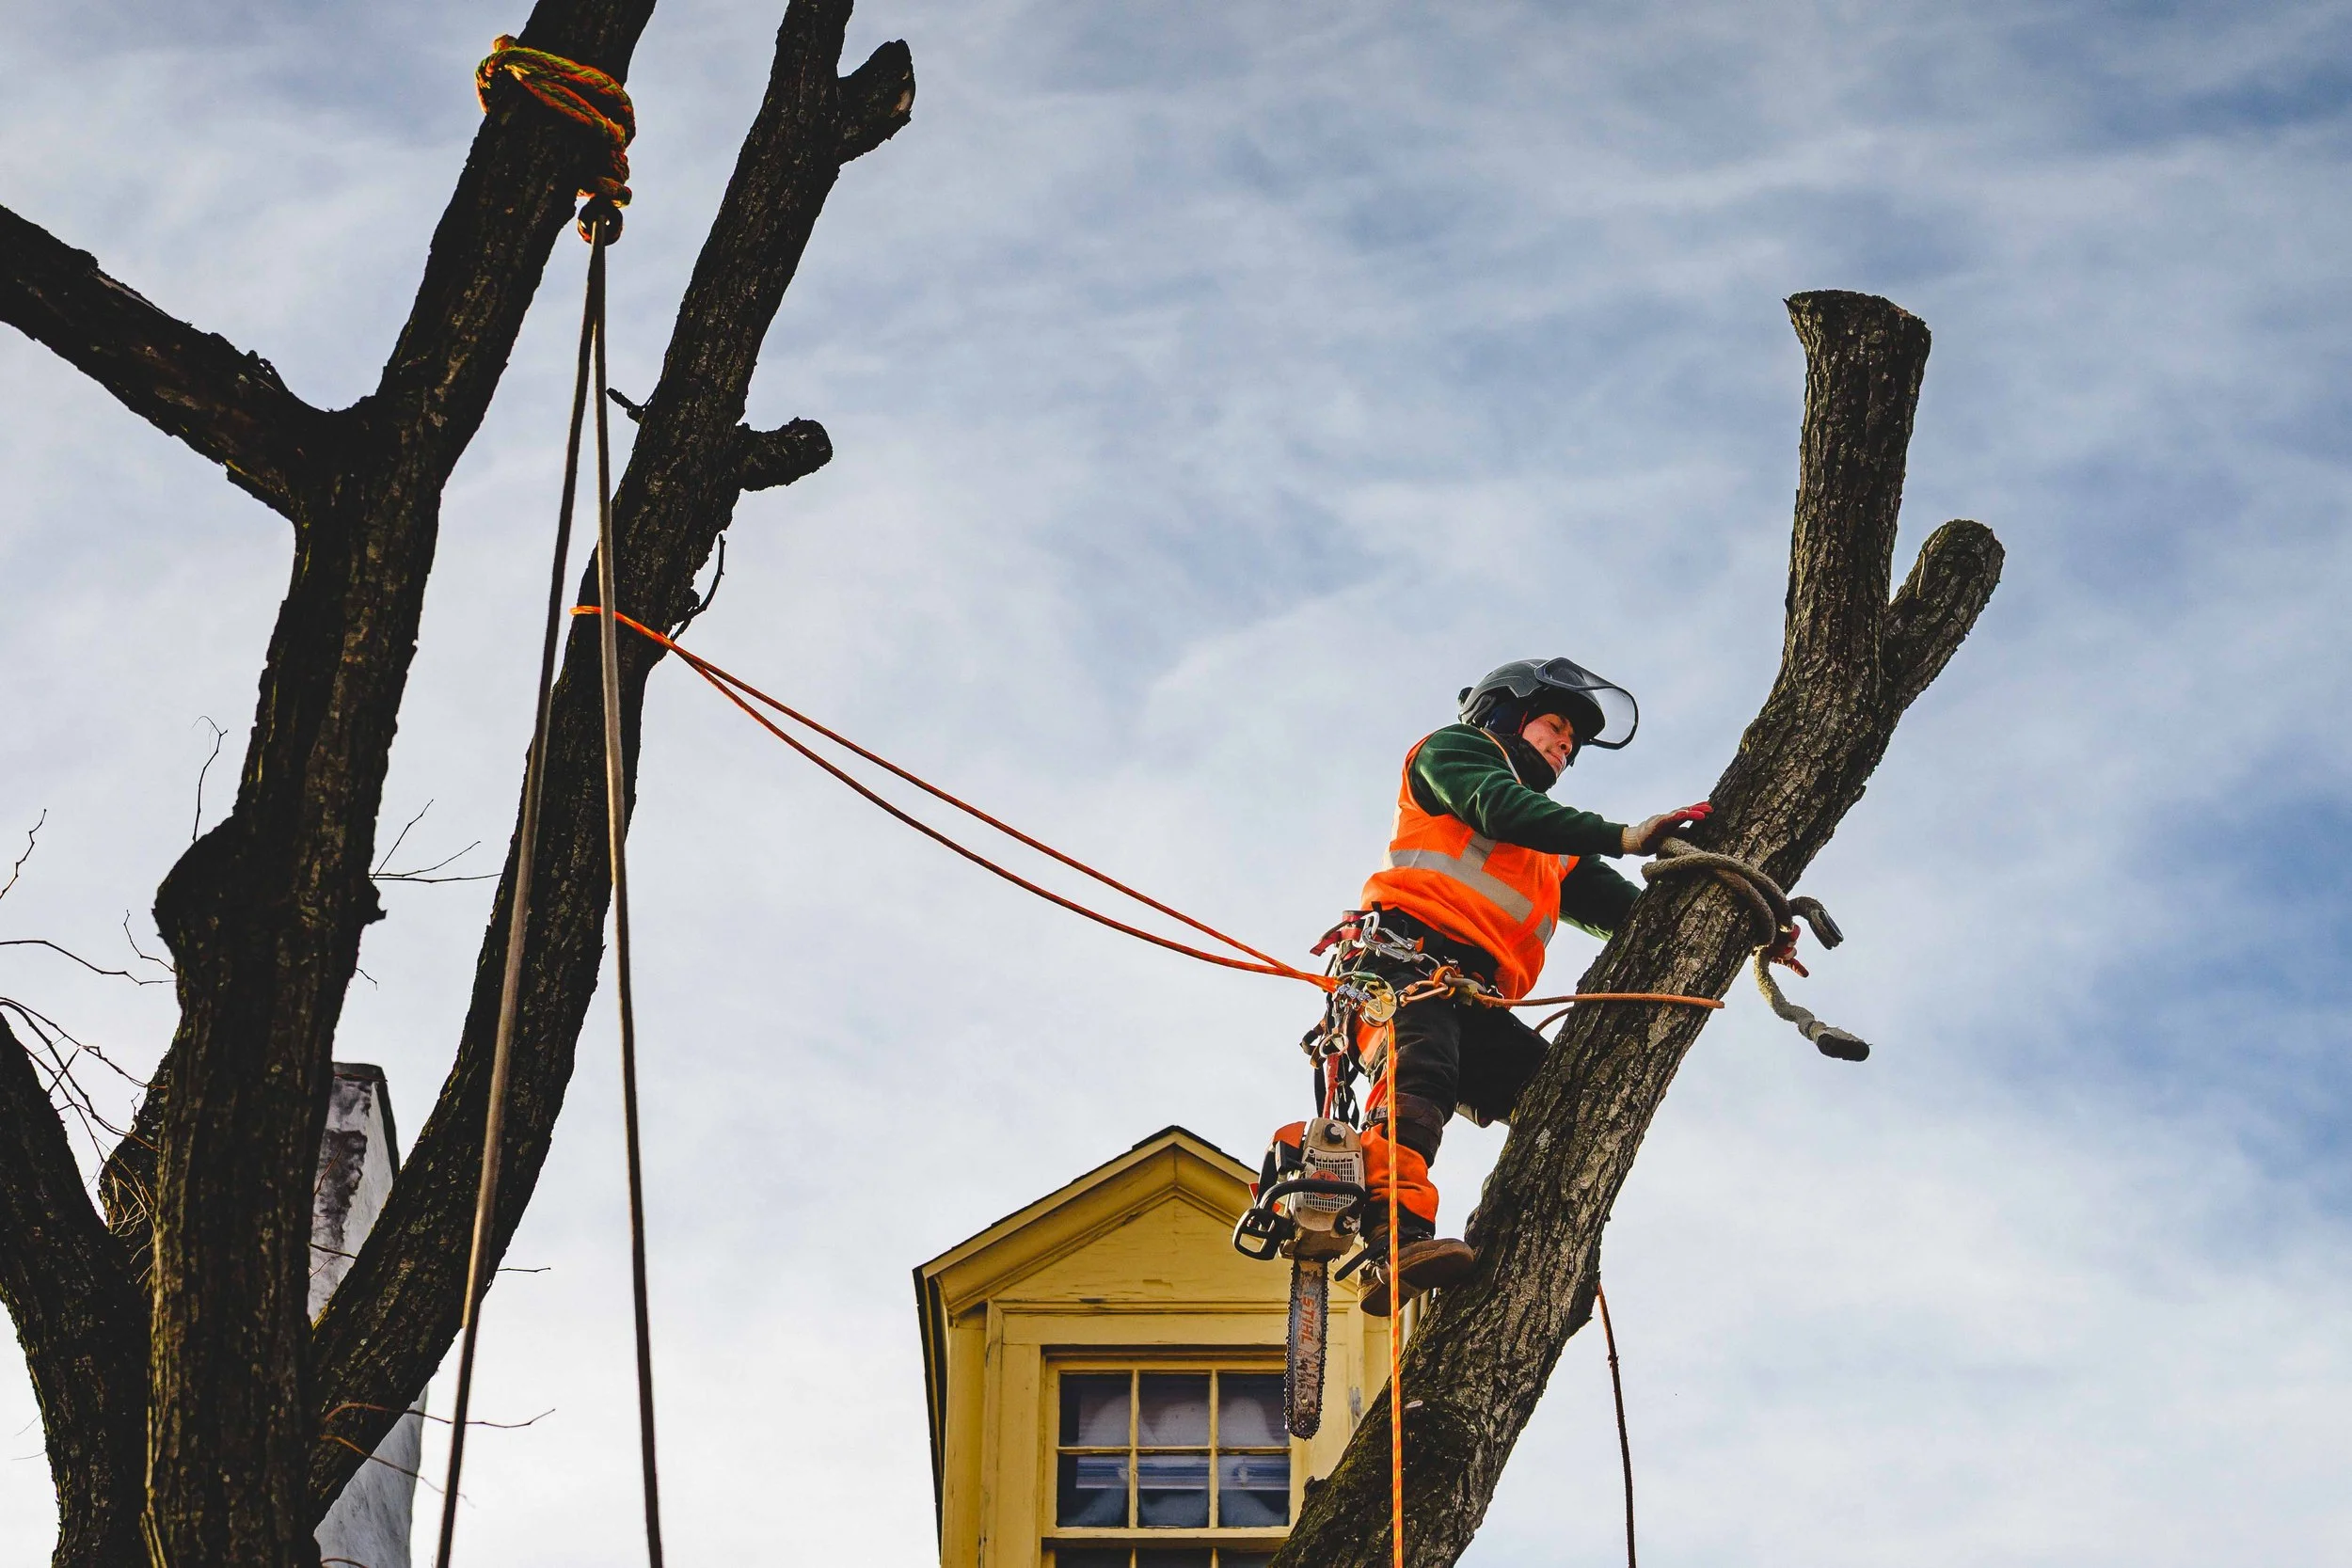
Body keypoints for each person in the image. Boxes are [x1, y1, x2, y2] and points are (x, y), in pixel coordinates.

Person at [1341, 657, 1710, 1315]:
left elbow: (1632, 917)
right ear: (1505, 713)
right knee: (1418, 1071)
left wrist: (1740, 921)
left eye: (1573, 743)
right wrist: (1624, 834)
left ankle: (1536, 1257)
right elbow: (1497, 805)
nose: (1566, 747)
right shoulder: (1454, 752)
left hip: (1474, 997)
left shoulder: (1554, 843)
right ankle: (1393, 1241)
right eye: (1556, 725)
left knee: (1566, 1098)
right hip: (1404, 961)